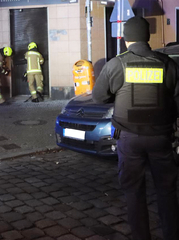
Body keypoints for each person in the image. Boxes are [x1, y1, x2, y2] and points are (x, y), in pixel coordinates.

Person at [92, 16, 179, 240]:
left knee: (134, 191)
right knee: (167, 190)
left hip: (129, 138)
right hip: (161, 137)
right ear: (147, 38)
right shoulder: (168, 63)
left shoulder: (116, 64)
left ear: (126, 40)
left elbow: (99, 97)